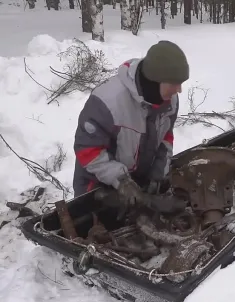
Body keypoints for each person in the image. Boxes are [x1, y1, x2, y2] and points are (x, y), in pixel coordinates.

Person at [72, 40, 189, 207]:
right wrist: (121, 180)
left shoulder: (170, 101)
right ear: (155, 80)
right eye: (173, 84)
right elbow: (87, 150)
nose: (179, 90)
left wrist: (158, 172)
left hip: (138, 183)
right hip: (97, 187)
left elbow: (166, 136)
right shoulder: (108, 101)